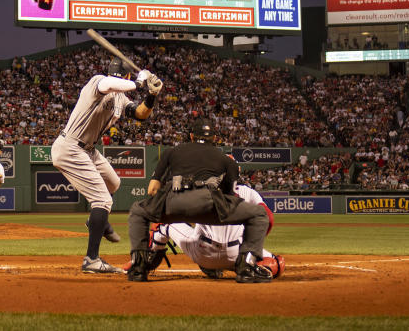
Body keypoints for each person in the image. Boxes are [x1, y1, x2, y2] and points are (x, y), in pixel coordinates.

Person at [125, 119, 274, 283]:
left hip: (174, 201)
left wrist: (162, 208)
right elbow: (231, 195)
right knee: (258, 214)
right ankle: (246, 267)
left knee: (138, 211)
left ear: (191, 136)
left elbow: (152, 190)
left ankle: (138, 268)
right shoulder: (226, 160)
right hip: (208, 205)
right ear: (215, 138)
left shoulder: (172, 152)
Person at [52, 58, 163, 274]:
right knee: (102, 200)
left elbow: (140, 114)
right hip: (71, 147)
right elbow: (110, 84)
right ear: (128, 77)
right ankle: (91, 259)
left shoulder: (120, 98)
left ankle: (96, 222)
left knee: (114, 183)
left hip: (88, 150)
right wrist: (141, 83)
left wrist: (151, 95)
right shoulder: (98, 82)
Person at [148, 181, 284, 279]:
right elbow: (268, 218)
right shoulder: (246, 191)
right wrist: (251, 246)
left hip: (203, 253)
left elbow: (172, 212)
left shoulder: (199, 188)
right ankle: (246, 265)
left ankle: (143, 264)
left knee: (162, 224)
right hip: (237, 253)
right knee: (277, 264)